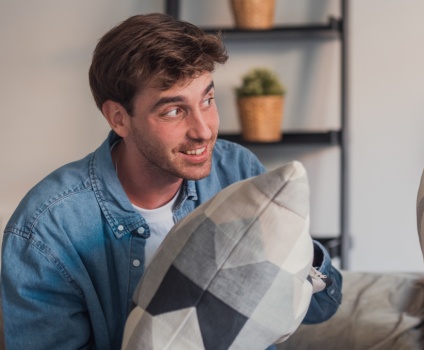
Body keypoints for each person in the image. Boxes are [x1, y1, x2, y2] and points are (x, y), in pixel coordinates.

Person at [1, 13, 341, 349]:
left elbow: (320, 309)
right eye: (174, 111)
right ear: (119, 118)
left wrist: (295, 249)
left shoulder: (235, 169)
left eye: (207, 100)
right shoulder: (47, 229)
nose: (204, 130)